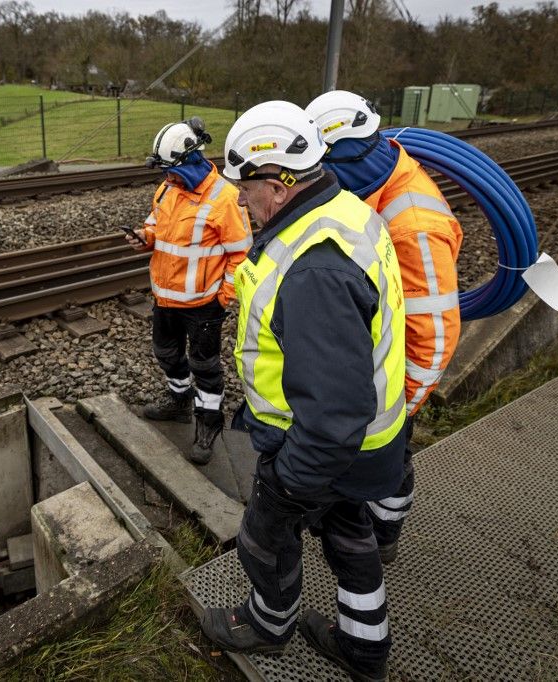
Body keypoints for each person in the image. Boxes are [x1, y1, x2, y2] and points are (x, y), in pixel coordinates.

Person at [198, 101, 408, 682]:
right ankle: (365, 649)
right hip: (374, 441)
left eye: (246, 186)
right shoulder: (345, 209)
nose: (240, 199)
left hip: (328, 447)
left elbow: (334, 414)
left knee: (263, 536)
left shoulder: (313, 270)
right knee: (348, 534)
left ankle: (269, 624)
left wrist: (289, 482)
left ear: (280, 182)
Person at [307, 91, 463, 564]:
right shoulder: (374, 176)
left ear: (341, 153)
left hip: (393, 386)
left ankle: (385, 533)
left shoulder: (413, 225)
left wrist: (396, 408)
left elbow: (434, 335)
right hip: (373, 360)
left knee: (391, 461)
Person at [127, 117, 252, 464]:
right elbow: (155, 223)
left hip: (203, 305)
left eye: (170, 170)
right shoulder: (168, 188)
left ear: (189, 161)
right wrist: (144, 238)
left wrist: (223, 297)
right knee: (166, 353)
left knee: (205, 365)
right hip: (165, 298)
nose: (165, 177)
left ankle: (209, 423)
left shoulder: (225, 198)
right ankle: (179, 400)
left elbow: (242, 255)